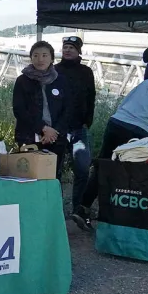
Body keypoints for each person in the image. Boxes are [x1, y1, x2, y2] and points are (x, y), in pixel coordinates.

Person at [72, 74, 148, 230]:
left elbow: (125, 101)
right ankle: (115, 218)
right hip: (141, 134)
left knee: (104, 166)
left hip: (116, 123)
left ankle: (83, 207)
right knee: (132, 178)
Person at [12, 41, 73, 181]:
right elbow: (19, 110)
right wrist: (42, 129)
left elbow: (68, 109)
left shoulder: (61, 80)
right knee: (29, 176)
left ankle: (52, 203)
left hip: (55, 138)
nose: (40, 59)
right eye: (36, 55)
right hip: (29, 137)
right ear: (31, 58)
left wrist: (54, 132)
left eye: (45, 55)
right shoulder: (22, 81)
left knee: (53, 177)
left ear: (52, 58)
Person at [55, 36, 96, 218]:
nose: (67, 50)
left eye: (71, 47)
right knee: (55, 171)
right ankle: (54, 208)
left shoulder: (86, 72)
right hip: (58, 129)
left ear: (79, 51)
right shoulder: (54, 70)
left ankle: (77, 209)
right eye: (65, 47)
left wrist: (89, 119)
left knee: (82, 168)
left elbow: (91, 96)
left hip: (79, 128)